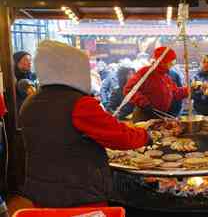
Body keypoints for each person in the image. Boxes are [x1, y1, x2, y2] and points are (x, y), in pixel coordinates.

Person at [19, 40, 149, 207]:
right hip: (78, 190)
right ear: (72, 69)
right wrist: (146, 136)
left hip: (40, 189)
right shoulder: (79, 103)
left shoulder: (31, 101)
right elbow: (119, 136)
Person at [124, 46, 189, 122]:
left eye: (173, 62)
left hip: (159, 116)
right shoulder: (145, 72)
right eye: (171, 62)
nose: (172, 64)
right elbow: (129, 89)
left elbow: (175, 92)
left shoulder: (165, 76)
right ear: (163, 61)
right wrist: (144, 103)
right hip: (143, 115)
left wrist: (189, 90)